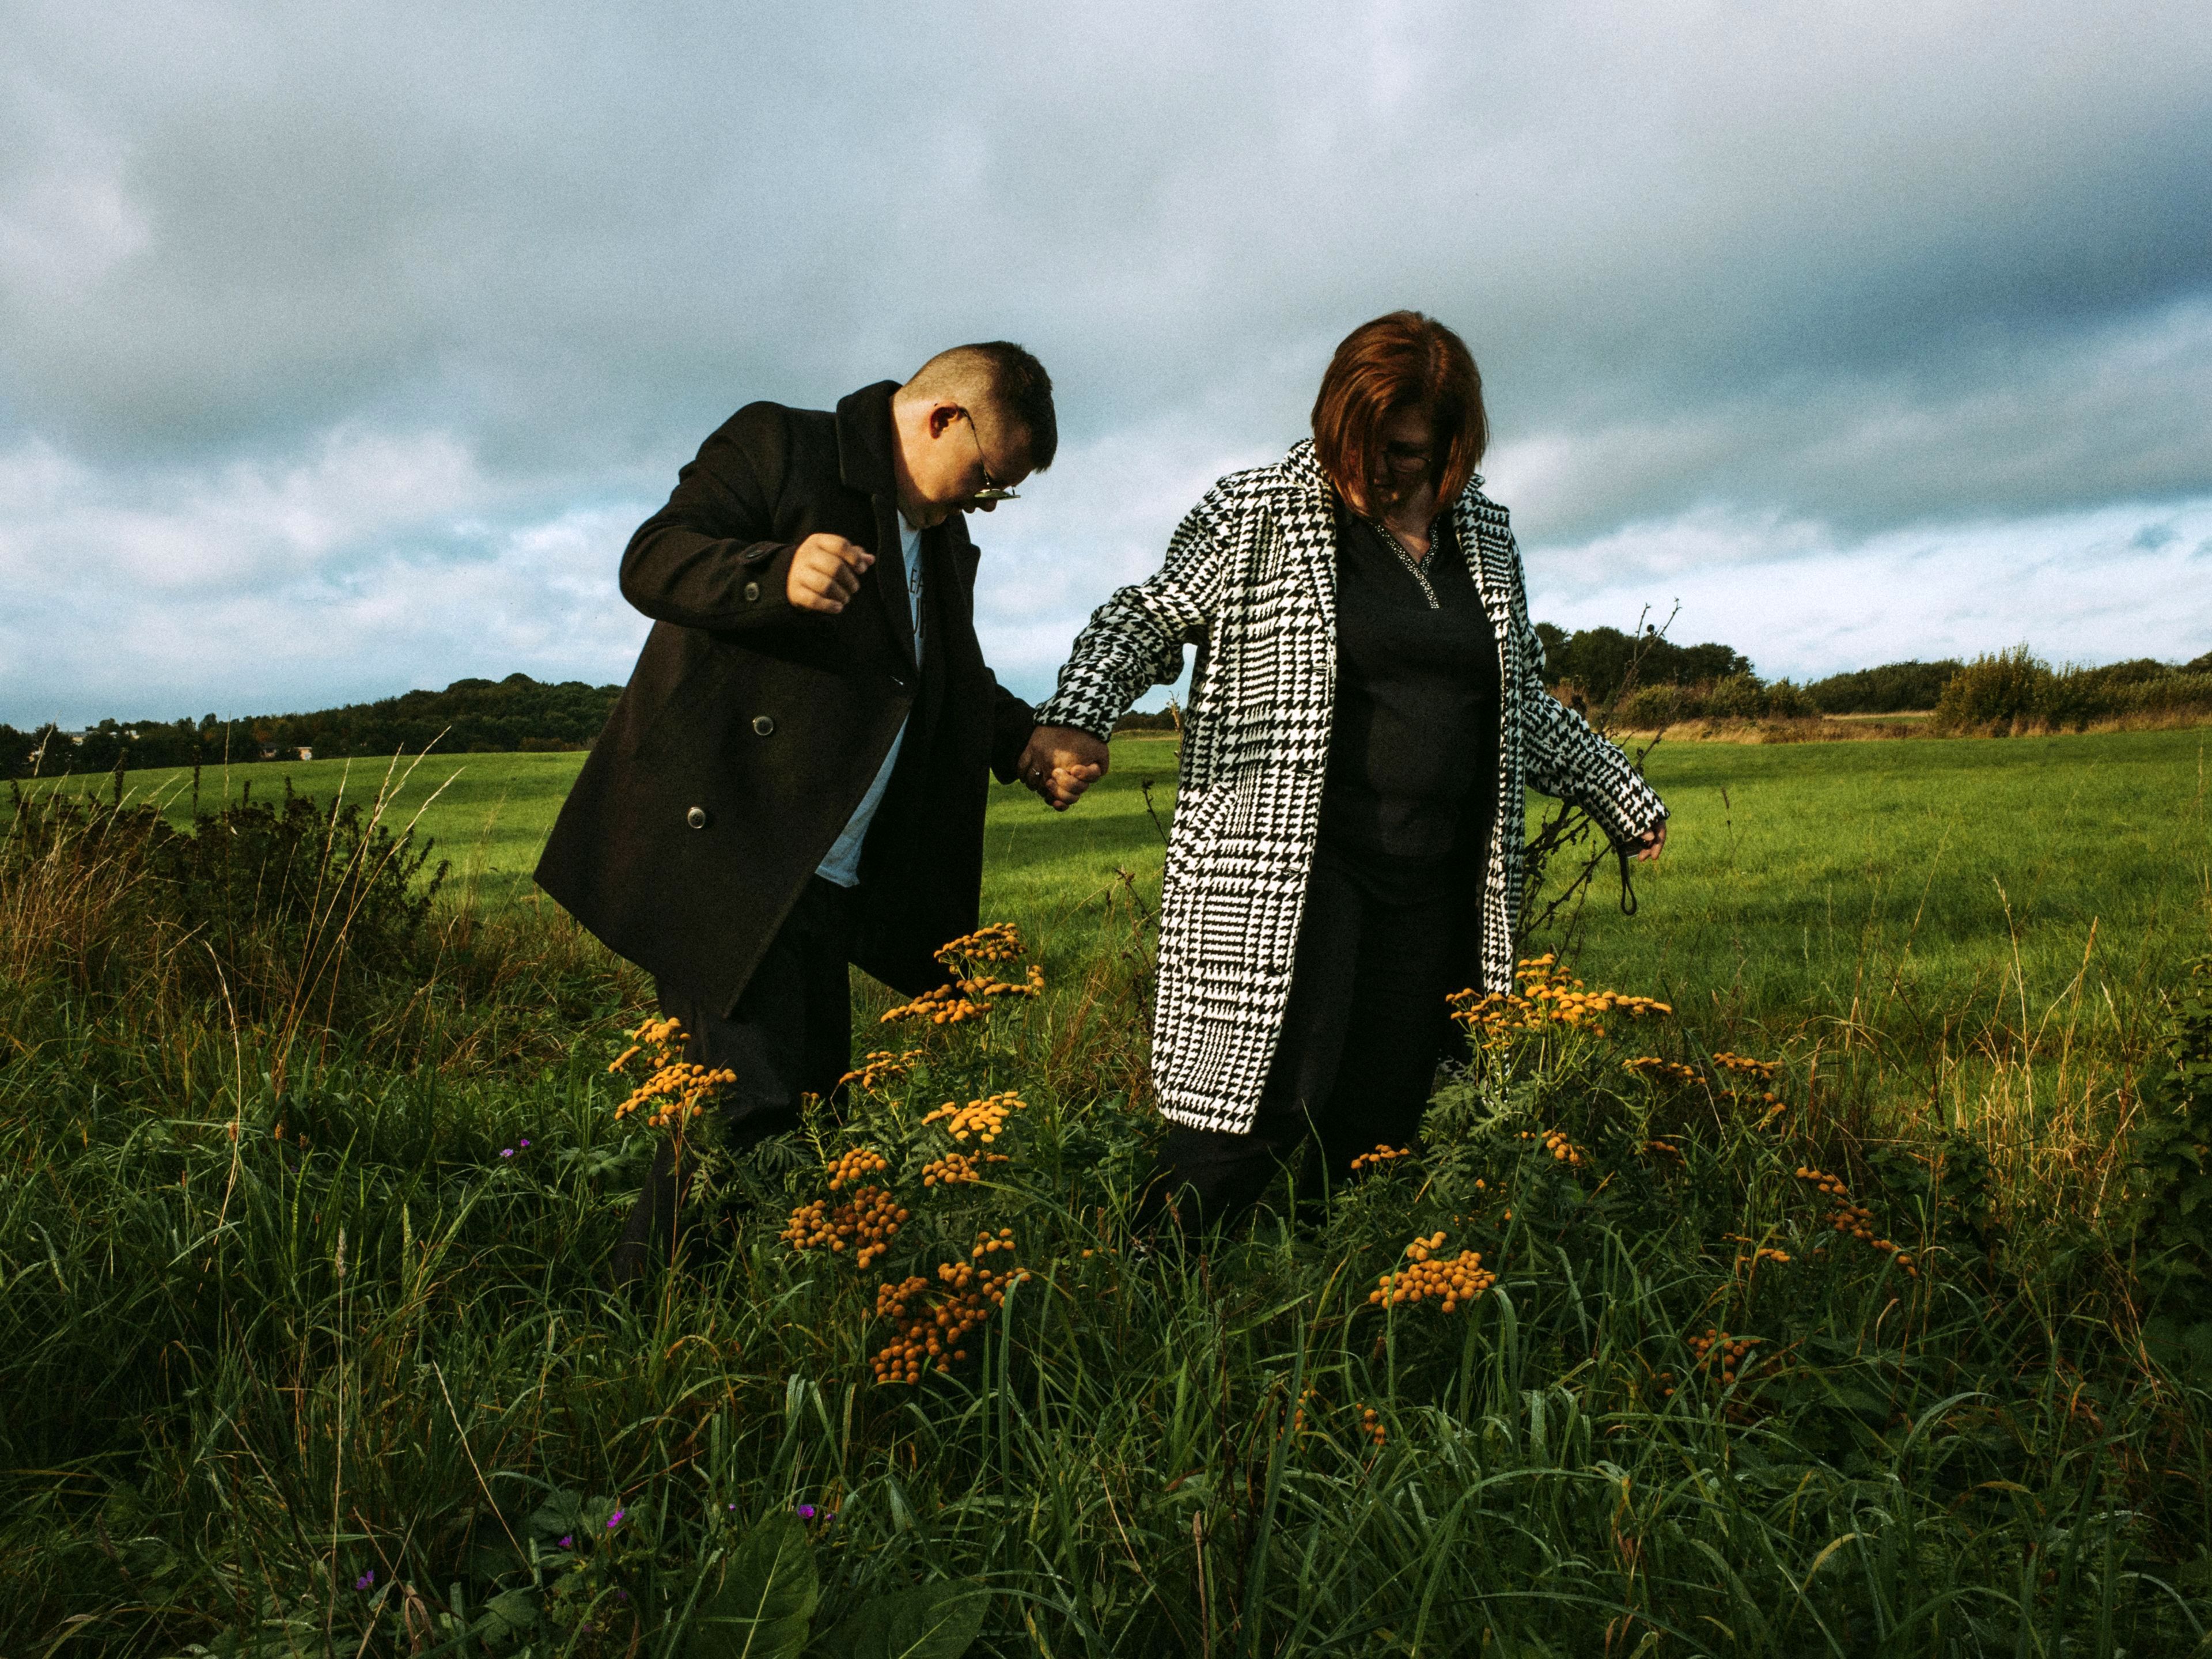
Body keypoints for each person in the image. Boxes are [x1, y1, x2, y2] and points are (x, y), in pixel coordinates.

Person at [1027, 311, 1668, 1230]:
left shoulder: (1484, 536)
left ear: (1451, 447)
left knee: (1385, 1114)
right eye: (1357, 444)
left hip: (1435, 878)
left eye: (1403, 452)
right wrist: (1078, 714)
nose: (1373, 470)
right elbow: (1147, 615)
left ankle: (1335, 1293)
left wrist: (1615, 791)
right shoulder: (1259, 509)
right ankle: (1155, 1284)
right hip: (1292, 869)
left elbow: (1516, 700)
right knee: (1259, 1105)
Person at [536, 343, 1103, 1282]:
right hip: (730, 844)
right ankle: (650, 1318)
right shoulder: (782, 447)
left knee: (815, 1112)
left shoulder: (941, 540)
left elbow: (942, 674)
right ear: (942, 418)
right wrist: (773, 573)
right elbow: (653, 559)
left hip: (830, 871)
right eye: (986, 479)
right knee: (742, 1110)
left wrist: (1024, 743)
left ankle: (735, 1311)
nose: (984, 502)